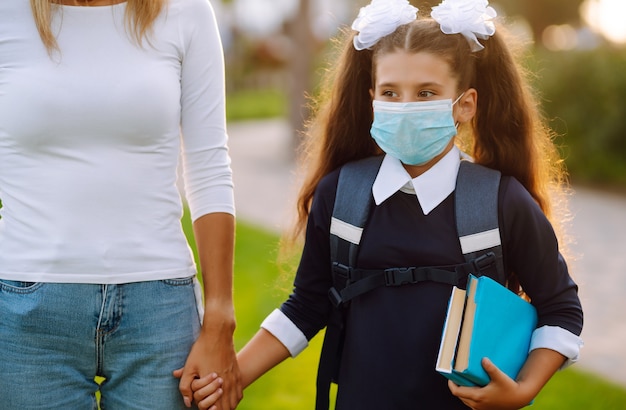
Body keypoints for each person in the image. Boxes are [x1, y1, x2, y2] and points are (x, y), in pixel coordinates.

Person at [188, 0, 584, 408]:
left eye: (426, 93)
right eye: (391, 93)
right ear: (372, 98)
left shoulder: (502, 202)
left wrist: (522, 390)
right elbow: (306, 307)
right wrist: (230, 379)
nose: (405, 107)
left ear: (464, 104)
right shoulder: (341, 194)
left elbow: (560, 310)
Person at [0, 0, 242, 409]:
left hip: (159, 310)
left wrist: (219, 317)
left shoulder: (186, 12)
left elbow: (209, 166)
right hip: (27, 315)